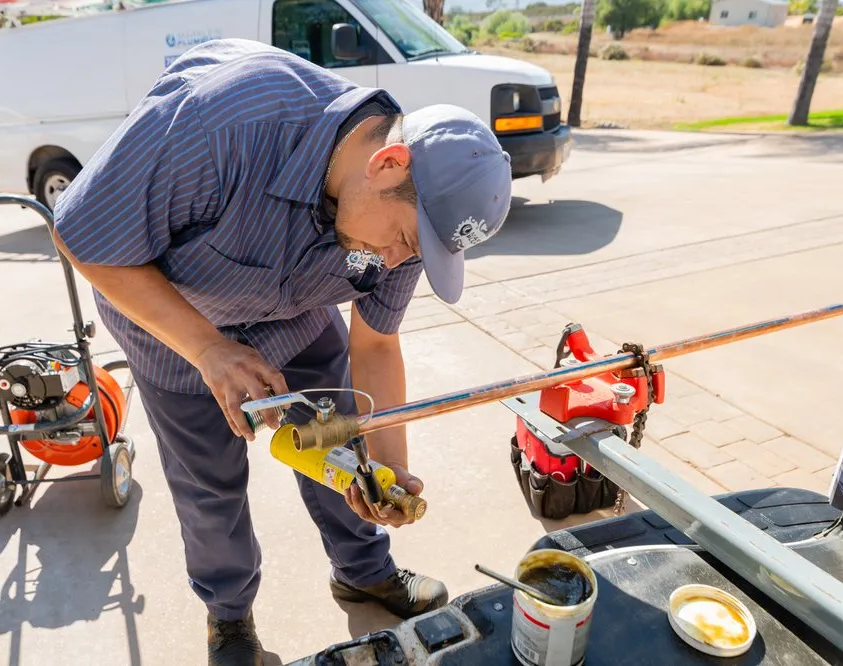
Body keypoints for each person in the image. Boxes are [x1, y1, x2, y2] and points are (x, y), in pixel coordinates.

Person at [51, 38, 512, 665]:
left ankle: (363, 569)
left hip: (294, 319)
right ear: (387, 165)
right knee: (210, 487)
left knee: (339, 449)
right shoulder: (226, 120)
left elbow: (375, 342)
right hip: (175, 331)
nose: (397, 263)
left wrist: (389, 469)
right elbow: (85, 237)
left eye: (417, 255)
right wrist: (209, 349)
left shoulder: (401, 228)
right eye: (404, 242)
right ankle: (230, 616)